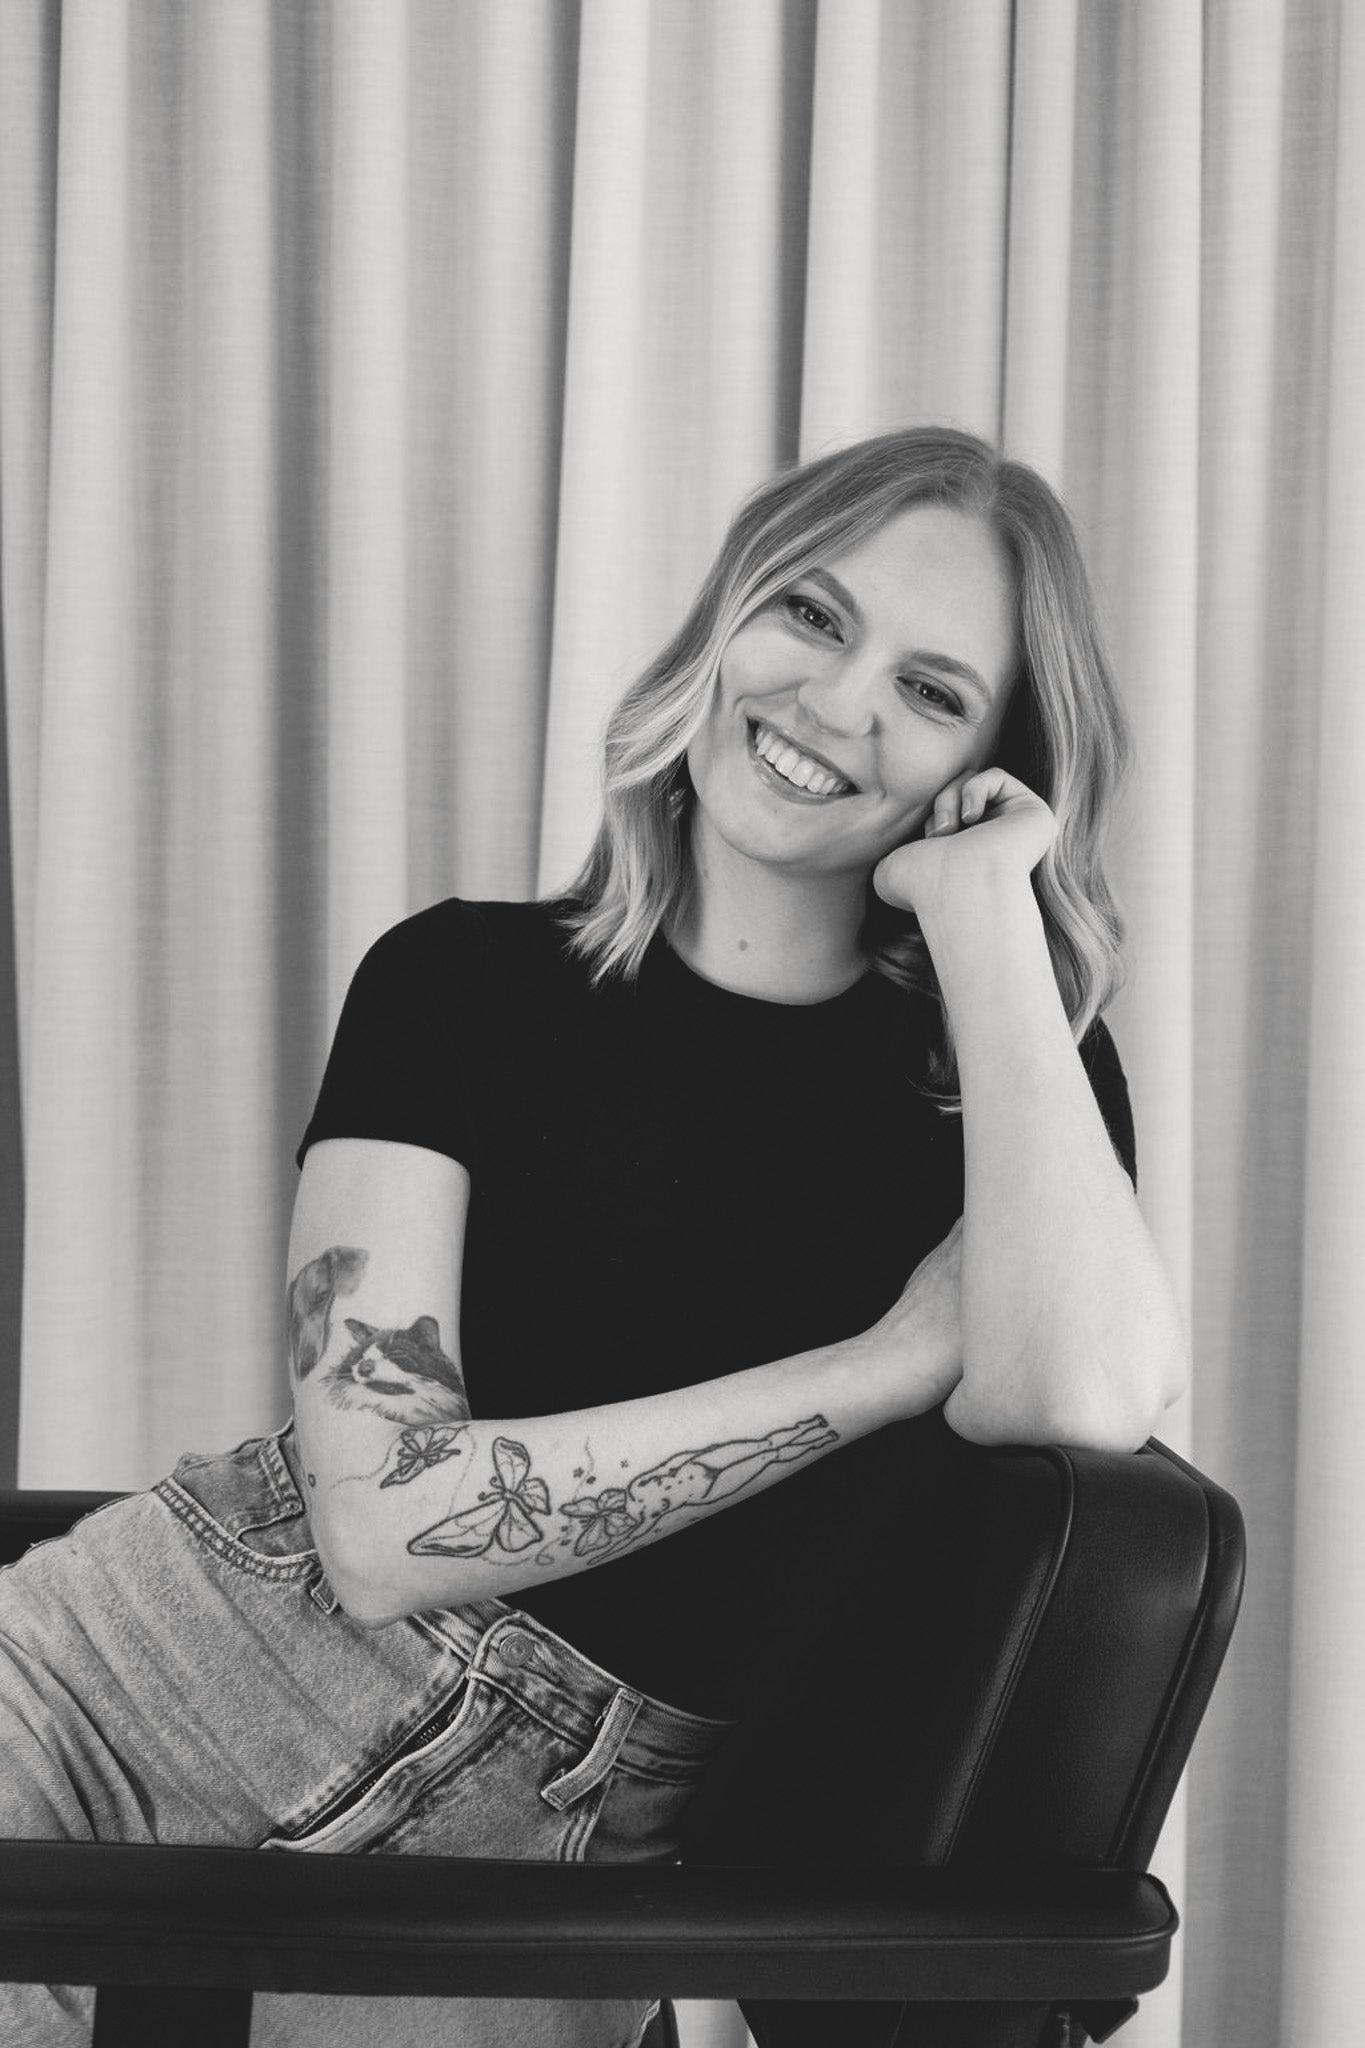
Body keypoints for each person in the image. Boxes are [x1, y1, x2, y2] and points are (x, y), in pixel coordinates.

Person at [0, 426, 1188, 2048]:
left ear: (994, 763)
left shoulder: (1009, 1086)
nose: (834, 704)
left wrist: (985, 908)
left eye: (930, 691)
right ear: (727, 620)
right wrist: (882, 1363)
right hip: (113, 1684)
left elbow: (1087, 1397)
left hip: (540, 1849)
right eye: (812, 615)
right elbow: (384, 1528)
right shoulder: (458, 983)